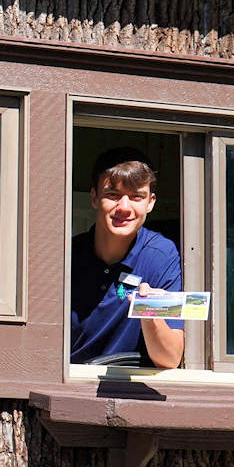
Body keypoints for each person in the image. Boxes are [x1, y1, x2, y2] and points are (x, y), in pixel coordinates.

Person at [71, 147, 184, 368]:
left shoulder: (161, 255)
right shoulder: (66, 256)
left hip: (128, 386)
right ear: (94, 197)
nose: (124, 207)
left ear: (150, 202)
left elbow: (170, 358)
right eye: (113, 195)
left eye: (136, 197)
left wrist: (150, 311)